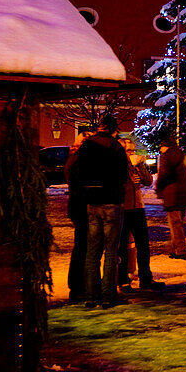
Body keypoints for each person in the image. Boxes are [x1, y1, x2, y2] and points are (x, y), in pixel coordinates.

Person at [77, 114, 130, 309]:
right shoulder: (115, 147)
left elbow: (78, 172)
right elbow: (123, 174)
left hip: (92, 202)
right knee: (110, 251)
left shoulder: (86, 146)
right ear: (113, 128)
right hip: (111, 202)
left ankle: (91, 295)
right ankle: (108, 296)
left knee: (92, 252)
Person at [118, 137, 163, 291]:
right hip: (123, 208)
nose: (131, 153)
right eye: (128, 150)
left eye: (133, 150)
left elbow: (148, 181)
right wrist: (127, 180)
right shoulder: (118, 165)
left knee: (143, 244)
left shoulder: (136, 164)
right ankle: (123, 279)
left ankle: (146, 278)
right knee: (122, 246)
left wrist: (141, 166)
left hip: (138, 207)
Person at [64, 125, 94, 303]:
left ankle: (79, 285)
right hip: (81, 207)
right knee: (82, 247)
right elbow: (79, 186)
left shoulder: (73, 158)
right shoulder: (78, 161)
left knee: (82, 246)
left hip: (78, 207)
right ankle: (77, 286)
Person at [156, 136, 186, 260]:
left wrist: (158, 187)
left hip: (171, 194)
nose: (160, 149)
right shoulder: (181, 155)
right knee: (178, 223)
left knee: (175, 224)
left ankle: (180, 251)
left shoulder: (167, 156)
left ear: (165, 146)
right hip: (182, 194)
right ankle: (175, 249)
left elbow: (163, 174)